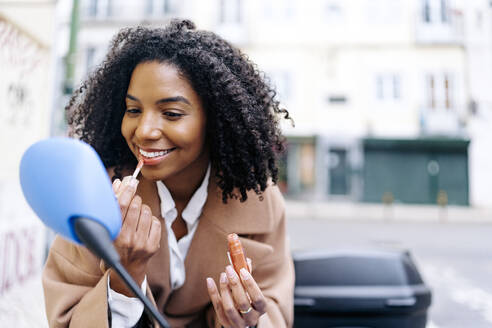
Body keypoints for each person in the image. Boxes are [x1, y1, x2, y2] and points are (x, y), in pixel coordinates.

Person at [42, 19, 294, 328]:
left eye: (171, 114)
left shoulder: (258, 199)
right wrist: (125, 276)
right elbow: (66, 319)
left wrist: (247, 322)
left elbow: (275, 311)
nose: (144, 131)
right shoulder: (93, 198)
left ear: (214, 121)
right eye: (133, 110)